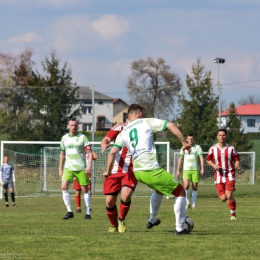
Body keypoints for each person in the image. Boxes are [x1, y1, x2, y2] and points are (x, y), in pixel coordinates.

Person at [103, 104, 192, 235]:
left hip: (138, 172)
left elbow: (112, 153)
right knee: (181, 193)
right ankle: (179, 228)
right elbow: (172, 126)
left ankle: (152, 219)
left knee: (159, 189)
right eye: (142, 113)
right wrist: (184, 142)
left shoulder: (124, 132)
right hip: (150, 170)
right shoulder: (146, 122)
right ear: (139, 114)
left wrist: (108, 171)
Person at [101, 122, 138, 233]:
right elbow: (106, 138)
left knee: (126, 195)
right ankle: (113, 225)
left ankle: (121, 219)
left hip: (130, 170)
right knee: (109, 201)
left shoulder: (141, 127)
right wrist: (104, 143)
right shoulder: (120, 126)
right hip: (114, 170)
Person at [59, 118, 93, 220]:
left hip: (80, 168)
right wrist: (60, 169)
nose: (74, 127)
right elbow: (62, 154)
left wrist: (89, 166)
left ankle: (87, 212)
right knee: (64, 187)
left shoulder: (82, 137)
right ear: (68, 126)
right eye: (72, 125)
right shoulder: (64, 138)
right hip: (68, 167)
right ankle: (70, 211)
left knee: (85, 189)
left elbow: (90, 152)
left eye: (75, 125)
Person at [206, 128, 240, 220]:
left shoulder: (231, 148)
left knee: (228, 195)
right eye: (220, 135)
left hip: (230, 174)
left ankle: (233, 214)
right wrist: (214, 165)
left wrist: (237, 164)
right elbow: (208, 159)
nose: (222, 137)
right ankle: (231, 195)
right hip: (218, 176)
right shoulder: (213, 149)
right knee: (223, 198)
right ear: (217, 137)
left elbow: (236, 158)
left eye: (223, 135)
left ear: (226, 136)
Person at [176, 133, 204, 210]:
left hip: (195, 170)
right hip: (186, 170)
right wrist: (178, 170)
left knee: (195, 187)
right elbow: (180, 159)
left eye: (192, 139)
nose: (190, 140)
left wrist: (202, 168)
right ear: (186, 139)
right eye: (189, 139)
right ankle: (188, 203)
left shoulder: (197, 147)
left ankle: (194, 205)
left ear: (193, 139)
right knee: (186, 186)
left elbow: (201, 157)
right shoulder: (184, 147)